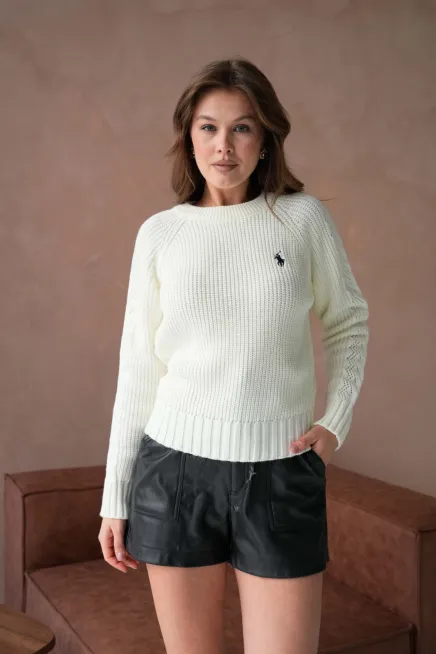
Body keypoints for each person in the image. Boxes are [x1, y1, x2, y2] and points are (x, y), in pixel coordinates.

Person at [98, 57, 369, 654]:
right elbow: (138, 368)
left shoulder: (302, 219)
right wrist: (115, 496)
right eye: (209, 127)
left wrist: (336, 419)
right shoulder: (160, 234)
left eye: (242, 128)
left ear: (265, 138)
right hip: (173, 474)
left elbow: (348, 320)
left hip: (281, 471)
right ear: (189, 137)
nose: (224, 145)